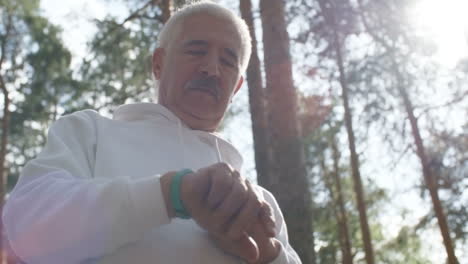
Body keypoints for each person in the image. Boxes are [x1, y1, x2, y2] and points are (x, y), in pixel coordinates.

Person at [2, 1, 301, 264]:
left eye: (227, 61)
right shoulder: (89, 132)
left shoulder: (262, 203)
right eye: (196, 51)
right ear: (158, 64)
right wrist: (173, 194)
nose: (211, 69)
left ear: (236, 87)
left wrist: (266, 253)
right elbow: (25, 225)